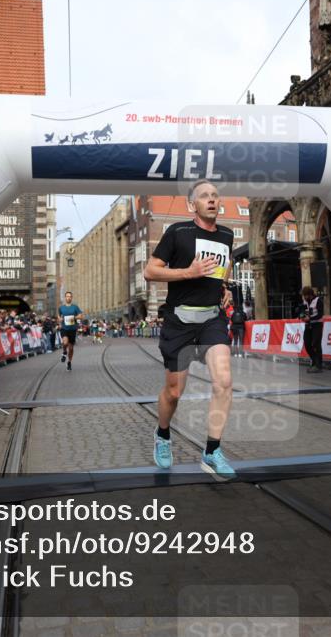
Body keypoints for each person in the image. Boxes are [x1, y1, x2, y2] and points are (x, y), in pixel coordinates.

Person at [144, 179, 235, 480]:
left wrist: (224, 286)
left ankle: (212, 450)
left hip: (212, 319)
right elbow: (150, 270)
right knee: (174, 391)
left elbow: (226, 263)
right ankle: (162, 434)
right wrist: (188, 272)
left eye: (215, 195)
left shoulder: (227, 234)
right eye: (204, 196)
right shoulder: (178, 233)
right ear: (191, 204)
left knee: (223, 381)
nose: (211, 199)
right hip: (179, 321)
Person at [301, 286, 324, 373]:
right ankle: (314, 361)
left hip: (317, 324)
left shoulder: (318, 301)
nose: (304, 298)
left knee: (316, 344)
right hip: (308, 325)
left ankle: (318, 365)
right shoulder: (305, 301)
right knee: (307, 343)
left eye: (305, 296)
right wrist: (302, 316)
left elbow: (320, 315)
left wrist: (310, 319)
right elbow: (303, 311)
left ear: (309, 295)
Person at [58, 291, 82, 371]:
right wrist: (60, 319)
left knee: (71, 348)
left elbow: (81, 316)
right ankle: (64, 352)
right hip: (64, 328)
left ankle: (69, 362)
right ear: (65, 298)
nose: (68, 298)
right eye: (67, 296)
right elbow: (59, 317)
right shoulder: (61, 308)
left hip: (72, 329)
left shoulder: (75, 307)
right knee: (65, 342)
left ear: (71, 298)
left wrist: (74, 317)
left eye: (70, 296)